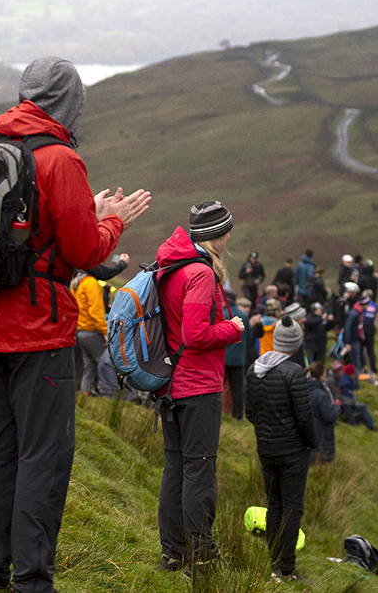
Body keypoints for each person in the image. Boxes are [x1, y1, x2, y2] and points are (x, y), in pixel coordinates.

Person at [0, 56, 151, 593]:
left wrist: (84, 209)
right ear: (69, 103)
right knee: (44, 457)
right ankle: (32, 582)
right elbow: (83, 249)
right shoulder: (61, 159)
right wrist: (109, 219)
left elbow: (22, 229)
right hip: (36, 332)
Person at [154, 201, 244, 574]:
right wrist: (234, 328)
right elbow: (195, 334)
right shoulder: (201, 274)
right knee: (200, 470)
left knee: (175, 469)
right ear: (215, 236)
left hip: (171, 385)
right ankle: (201, 556)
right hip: (197, 386)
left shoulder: (171, 264)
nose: (229, 237)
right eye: (226, 231)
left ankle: (173, 553)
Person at [245, 315, 316, 580]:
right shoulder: (295, 372)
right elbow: (304, 416)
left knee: (274, 505)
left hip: (266, 448)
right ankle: (287, 568)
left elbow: (249, 411)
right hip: (293, 451)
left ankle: (275, 562)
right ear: (295, 344)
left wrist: (266, 431)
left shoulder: (255, 368)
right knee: (293, 508)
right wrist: (310, 443)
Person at [71, 269, 108, 396]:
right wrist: (105, 332)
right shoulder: (91, 283)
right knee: (104, 364)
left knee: (89, 365)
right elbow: (95, 310)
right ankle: (108, 395)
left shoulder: (76, 283)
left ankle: (85, 393)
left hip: (80, 331)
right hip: (92, 332)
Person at [307, 361, 341, 464]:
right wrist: (336, 407)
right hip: (321, 433)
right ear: (321, 375)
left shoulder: (304, 387)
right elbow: (329, 415)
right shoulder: (320, 394)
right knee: (321, 460)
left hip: (308, 429)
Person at [224, 289, 250, 421]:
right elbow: (249, 337)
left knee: (219, 387)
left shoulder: (220, 314)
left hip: (221, 358)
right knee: (237, 388)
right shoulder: (243, 315)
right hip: (238, 358)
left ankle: (219, 413)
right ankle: (238, 415)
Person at [338, 364, 378, 430]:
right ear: (351, 374)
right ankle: (371, 426)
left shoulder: (345, 380)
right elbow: (347, 397)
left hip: (348, 403)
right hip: (348, 404)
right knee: (363, 406)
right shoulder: (345, 384)